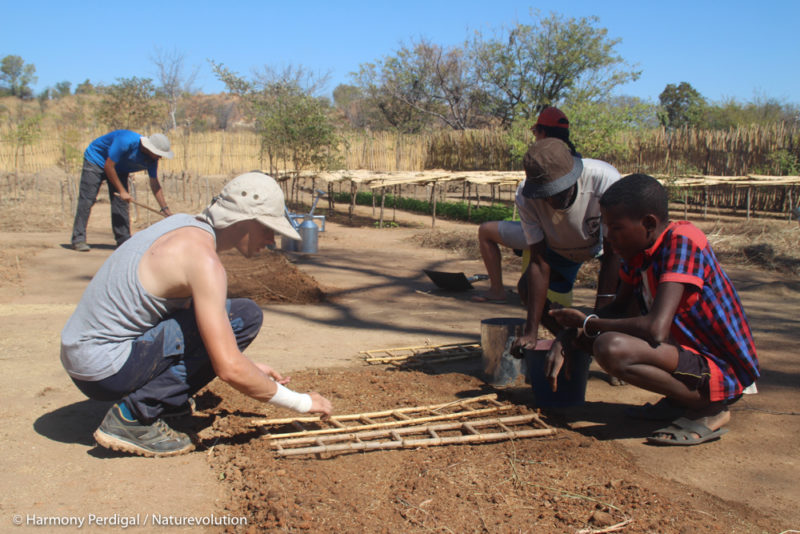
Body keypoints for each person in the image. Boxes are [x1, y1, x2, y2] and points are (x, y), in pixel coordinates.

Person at [60, 172, 333, 457]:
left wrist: (246, 362)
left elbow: (198, 329)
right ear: (246, 222)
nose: (271, 241)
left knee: (234, 315)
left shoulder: (183, 226)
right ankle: (133, 417)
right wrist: (302, 403)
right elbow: (229, 369)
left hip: (84, 358)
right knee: (244, 316)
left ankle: (166, 401)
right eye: (268, 229)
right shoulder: (203, 261)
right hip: (105, 369)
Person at [548, 174, 759, 445]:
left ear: (648, 223)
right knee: (594, 337)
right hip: (688, 356)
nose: (609, 237)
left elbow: (655, 329)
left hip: (722, 368)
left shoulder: (683, 241)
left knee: (610, 347)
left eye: (616, 228)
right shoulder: (638, 253)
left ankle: (709, 408)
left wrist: (589, 323)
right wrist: (571, 333)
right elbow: (619, 309)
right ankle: (679, 400)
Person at [510, 138, 622, 361]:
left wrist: (596, 324)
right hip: (560, 249)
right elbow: (539, 261)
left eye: (559, 192)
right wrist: (531, 331)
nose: (552, 200)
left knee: (628, 298)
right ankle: (571, 341)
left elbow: (613, 255)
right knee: (526, 288)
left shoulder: (604, 180)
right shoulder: (525, 196)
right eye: (545, 194)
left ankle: (607, 351)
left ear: (574, 177)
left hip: (604, 247)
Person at [473, 107, 579, 303]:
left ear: (543, 133)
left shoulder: (543, 159)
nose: (535, 137)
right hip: (576, 236)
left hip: (549, 236)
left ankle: (497, 290)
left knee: (485, 231)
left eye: (535, 132)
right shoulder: (575, 160)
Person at [70, 129, 174, 251]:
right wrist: (122, 191)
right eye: (158, 153)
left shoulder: (152, 160)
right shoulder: (126, 141)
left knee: (121, 203)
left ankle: (123, 240)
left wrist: (165, 209)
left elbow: (154, 183)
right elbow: (108, 166)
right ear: (150, 148)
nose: (160, 157)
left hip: (119, 169)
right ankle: (78, 239)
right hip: (96, 160)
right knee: (87, 199)